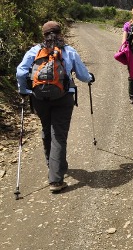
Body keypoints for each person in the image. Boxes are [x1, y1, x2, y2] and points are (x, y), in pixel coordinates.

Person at [16, 20, 95, 193]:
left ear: (43, 35)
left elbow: (21, 72)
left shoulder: (35, 50)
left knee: (46, 128)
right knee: (58, 134)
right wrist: (90, 78)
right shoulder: (68, 51)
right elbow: (82, 75)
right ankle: (56, 180)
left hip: (39, 98)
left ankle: (52, 163)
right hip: (63, 97)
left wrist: (24, 91)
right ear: (60, 33)